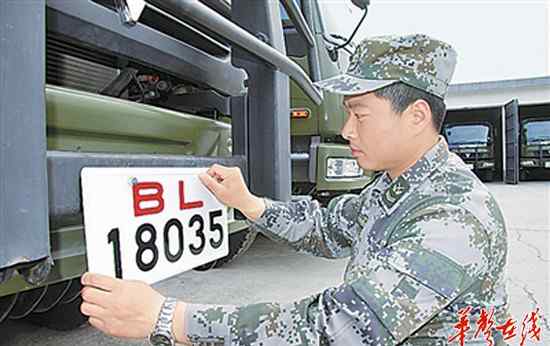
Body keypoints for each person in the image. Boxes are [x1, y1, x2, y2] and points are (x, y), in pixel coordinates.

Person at [80, 34, 508, 345]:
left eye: (360, 115)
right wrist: (247, 203)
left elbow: (340, 327)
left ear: (416, 117)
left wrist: (167, 318)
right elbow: (328, 226)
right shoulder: (397, 186)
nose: (345, 129)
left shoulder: (452, 217)